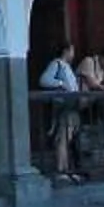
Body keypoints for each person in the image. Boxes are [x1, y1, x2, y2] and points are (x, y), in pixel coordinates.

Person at [38, 51, 83, 182]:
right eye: (72, 50)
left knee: (68, 139)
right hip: (63, 106)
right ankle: (61, 170)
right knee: (62, 139)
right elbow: (44, 80)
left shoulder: (66, 66)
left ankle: (67, 169)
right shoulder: (56, 64)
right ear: (67, 50)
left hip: (71, 105)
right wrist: (61, 84)